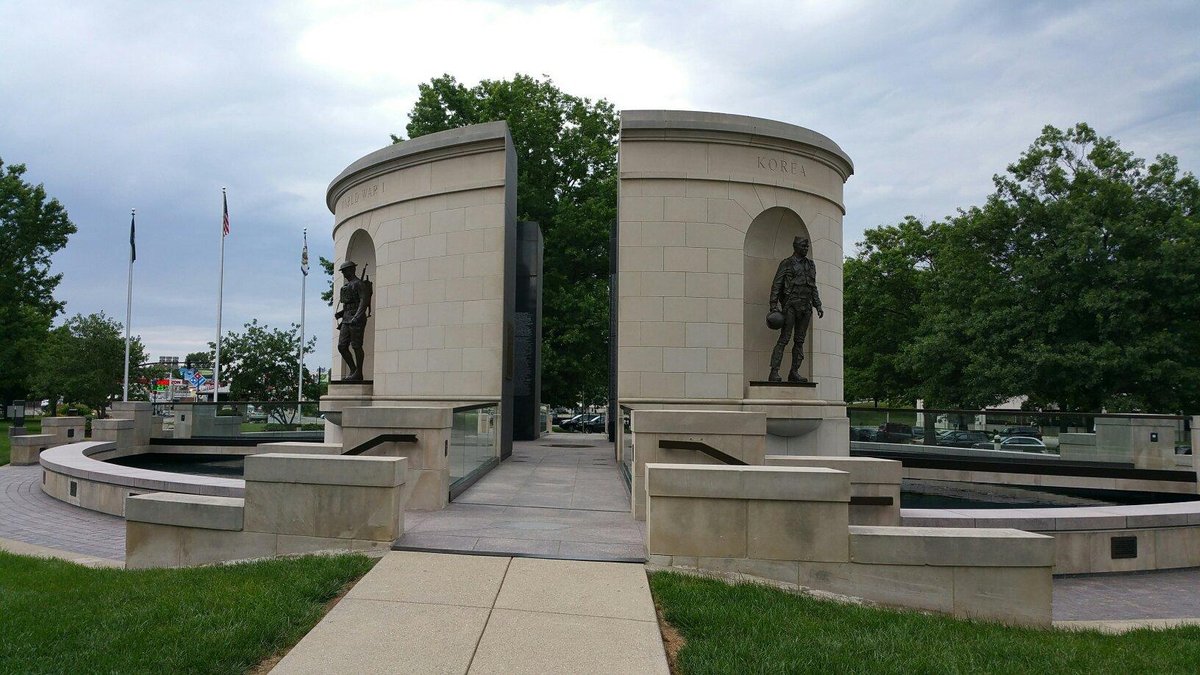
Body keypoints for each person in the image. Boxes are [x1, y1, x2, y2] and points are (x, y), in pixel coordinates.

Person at [768, 236, 824, 382]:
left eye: (807, 247)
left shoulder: (811, 265)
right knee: (784, 339)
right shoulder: (786, 263)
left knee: (800, 341)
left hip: (806, 307)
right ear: (795, 246)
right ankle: (774, 371)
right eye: (803, 246)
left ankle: (794, 372)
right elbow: (777, 284)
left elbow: (813, 286)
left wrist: (817, 304)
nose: (806, 248)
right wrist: (773, 305)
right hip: (790, 305)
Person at [335, 260, 372, 381]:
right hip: (346, 318)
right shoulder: (347, 285)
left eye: (345, 271)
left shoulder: (359, 284)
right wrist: (340, 314)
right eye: (343, 272)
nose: (344, 274)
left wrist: (357, 316)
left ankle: (359, 373)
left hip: (356, 319)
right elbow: (348, 304)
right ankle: (353, 369)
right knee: (341, 346)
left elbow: (364, 301)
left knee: (356, 345)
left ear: (351, 270)